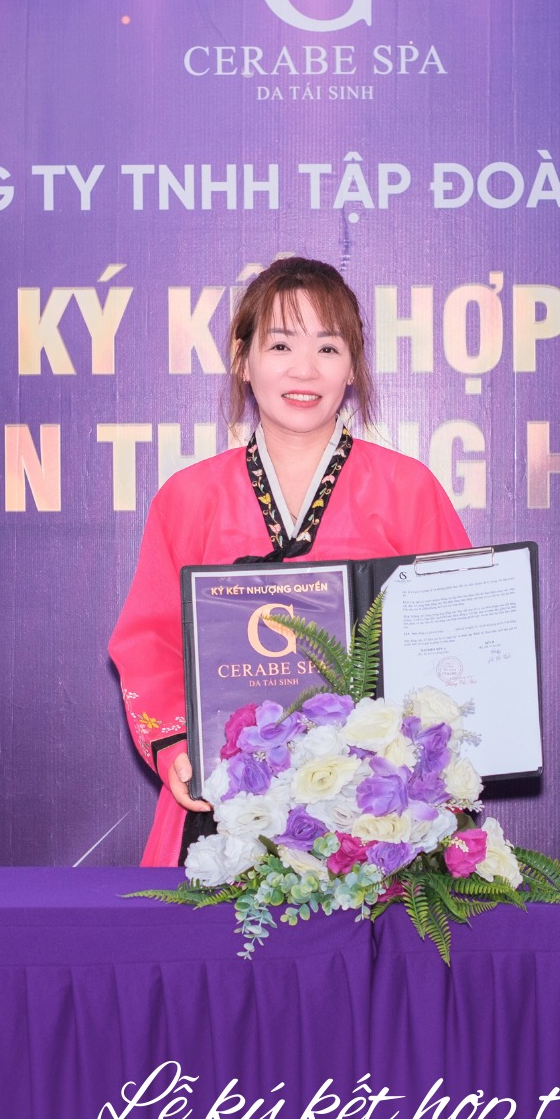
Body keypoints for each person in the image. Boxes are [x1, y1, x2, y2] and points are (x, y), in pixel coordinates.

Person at [108, 257, 472, 866]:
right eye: (280, 345)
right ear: (242, 359)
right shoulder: (188, 498)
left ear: (352, 367)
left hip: (378, 809)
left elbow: (457, 639)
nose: (305, 370)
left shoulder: (408, 490)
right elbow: (150, 643)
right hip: (227, 800)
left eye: (328, 348)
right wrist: (175, 744)